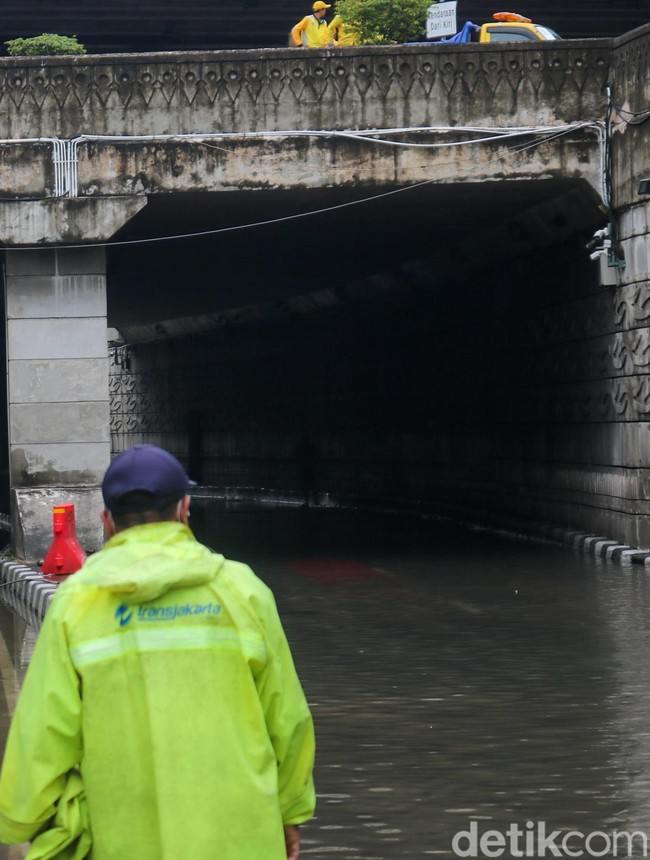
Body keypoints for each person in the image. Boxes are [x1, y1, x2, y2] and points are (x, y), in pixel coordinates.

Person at [0, 444, 316, 860]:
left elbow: (43, 734)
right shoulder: (243, 592)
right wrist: (290, 812)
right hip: (243, 839)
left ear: (107, 522)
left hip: (123, 840)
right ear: (185, 509)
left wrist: (21, 823)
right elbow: (288, 722)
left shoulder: (75, 606)